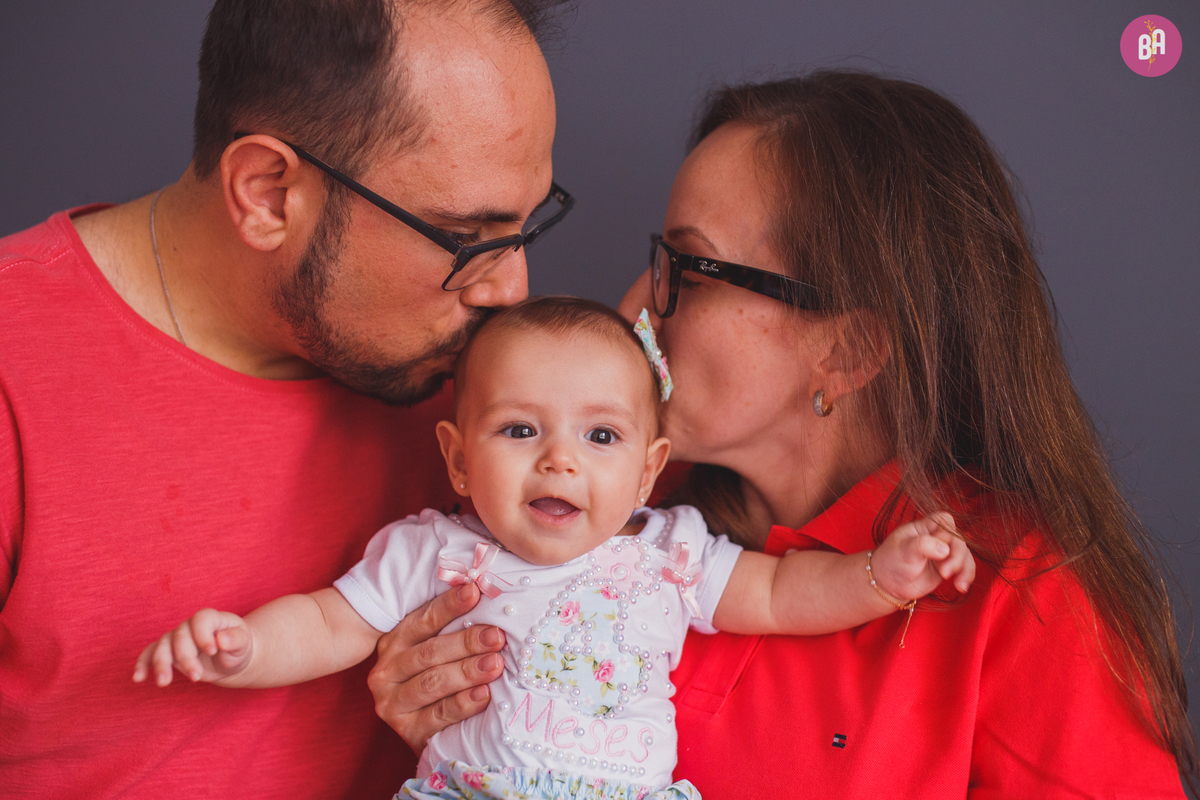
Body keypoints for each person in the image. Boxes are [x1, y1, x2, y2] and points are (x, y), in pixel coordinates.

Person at [369, 72, 1198, 796]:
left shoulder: (1019, 593)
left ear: (845, 352)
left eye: (686, 272)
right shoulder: (583, 513)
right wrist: (453, 732)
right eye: (657, 260)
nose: (630, 311)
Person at [0, 1, 571, 797]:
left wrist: (473, 722)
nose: (512, 289)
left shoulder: (507, 392)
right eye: (467, 239)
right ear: (268, 193)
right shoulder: (16, 375)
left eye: (526, 227)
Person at [132, 296, 975, 799]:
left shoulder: (670, 554)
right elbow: (326, 624)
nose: (560, 459)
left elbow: (786, 596)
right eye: (520, 429)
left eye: (601, 435)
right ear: (459, 458)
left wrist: (881, 574)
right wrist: (240, 648)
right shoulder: (434, 553)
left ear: (650, 471)